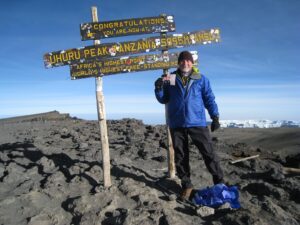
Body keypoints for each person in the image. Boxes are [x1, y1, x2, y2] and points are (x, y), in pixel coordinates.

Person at [154, 51, 224, 200]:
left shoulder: (201, 79)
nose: (185, 63)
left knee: (208, 153)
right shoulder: (170, 78)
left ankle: (219, 183)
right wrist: (158, 89)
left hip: (197, 122)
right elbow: (164, 99)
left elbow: (209, 98)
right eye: (182, 61)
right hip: (177, 123)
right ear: (178, 63)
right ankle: (187, 186)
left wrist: (215, 116)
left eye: (188, 61)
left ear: (192, 63)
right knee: (181, 156)